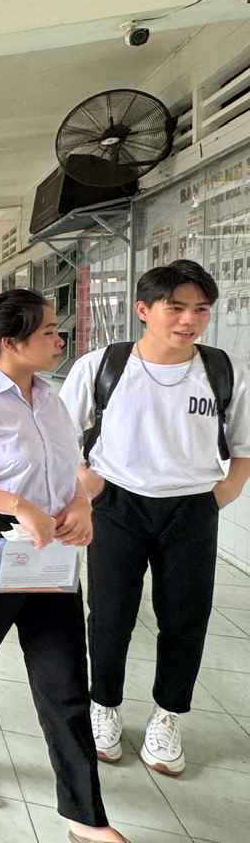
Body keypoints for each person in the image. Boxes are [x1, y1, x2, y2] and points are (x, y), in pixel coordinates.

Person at [0, 290, 129, 843]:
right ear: (11, 343)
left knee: (64, 679)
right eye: (48, 332)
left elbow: (78, 471)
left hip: (51, 554)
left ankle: (85, 816)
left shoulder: (53, 401)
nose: (59, 340)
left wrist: (82, 505)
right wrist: (17, 504)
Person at [60, 260, 250, 776]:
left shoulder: (222, 370)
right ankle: (104, 707)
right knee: (110, 612)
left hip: (191, 508)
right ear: (144, 310)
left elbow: (242, 447)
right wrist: (85, 480)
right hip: (118, 505)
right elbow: (59, 433)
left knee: (186, 616)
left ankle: (168, 716)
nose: (189, 320)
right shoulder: (103, 366)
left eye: (200, 310)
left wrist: (221, 494)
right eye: (176, 307)